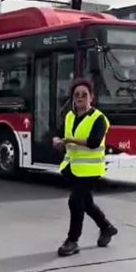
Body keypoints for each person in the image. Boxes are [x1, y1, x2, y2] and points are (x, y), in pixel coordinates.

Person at [53, 79, 118, 257]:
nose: (80, 97)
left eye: (84, 94)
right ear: (73, 98)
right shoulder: (70, 116)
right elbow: (59, 133)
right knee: (86, 203)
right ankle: (107, 228)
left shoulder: (99, 119)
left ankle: (72, 241)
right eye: (77, 95)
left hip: (91, 170)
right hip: (74, 168)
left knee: (75, 202)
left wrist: (69, 140)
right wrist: (57, 140)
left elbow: (94, 142)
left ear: (92, 98)